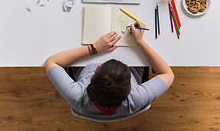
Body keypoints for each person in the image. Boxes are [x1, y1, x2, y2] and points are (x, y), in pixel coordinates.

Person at [45, 21, 175, 118]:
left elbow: (52, 61)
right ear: (129, 88)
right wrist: (140, 41)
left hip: (86, 61)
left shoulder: (77, 96)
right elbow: (167, 74)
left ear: (93, 77)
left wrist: (93, 48)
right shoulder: (136, 99)